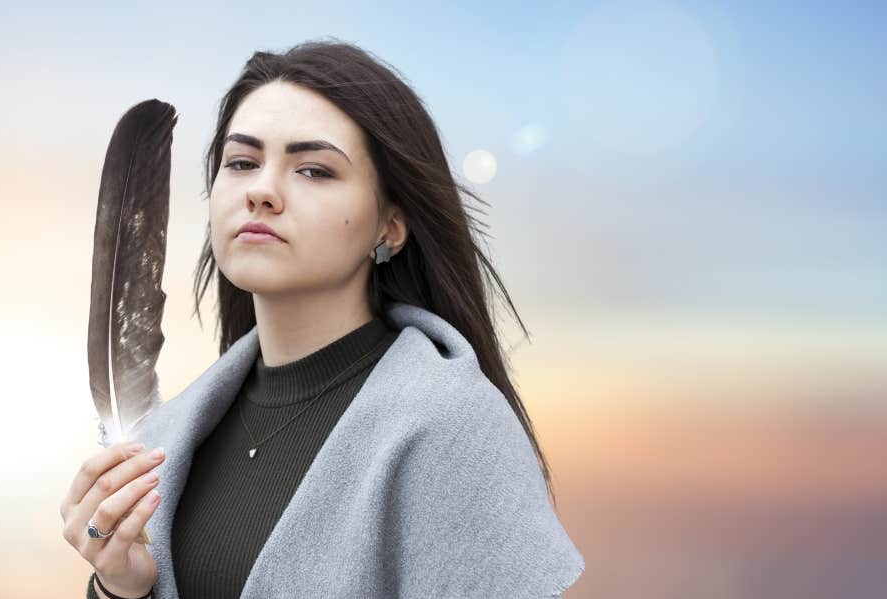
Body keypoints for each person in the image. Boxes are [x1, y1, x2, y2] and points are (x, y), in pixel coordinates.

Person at [61, 38, 586, 599]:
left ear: (390, 226)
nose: (262, 190)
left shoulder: (452, 429)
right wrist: (121, 589)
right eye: (241, 163)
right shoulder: (171, 438)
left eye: (313, 170)